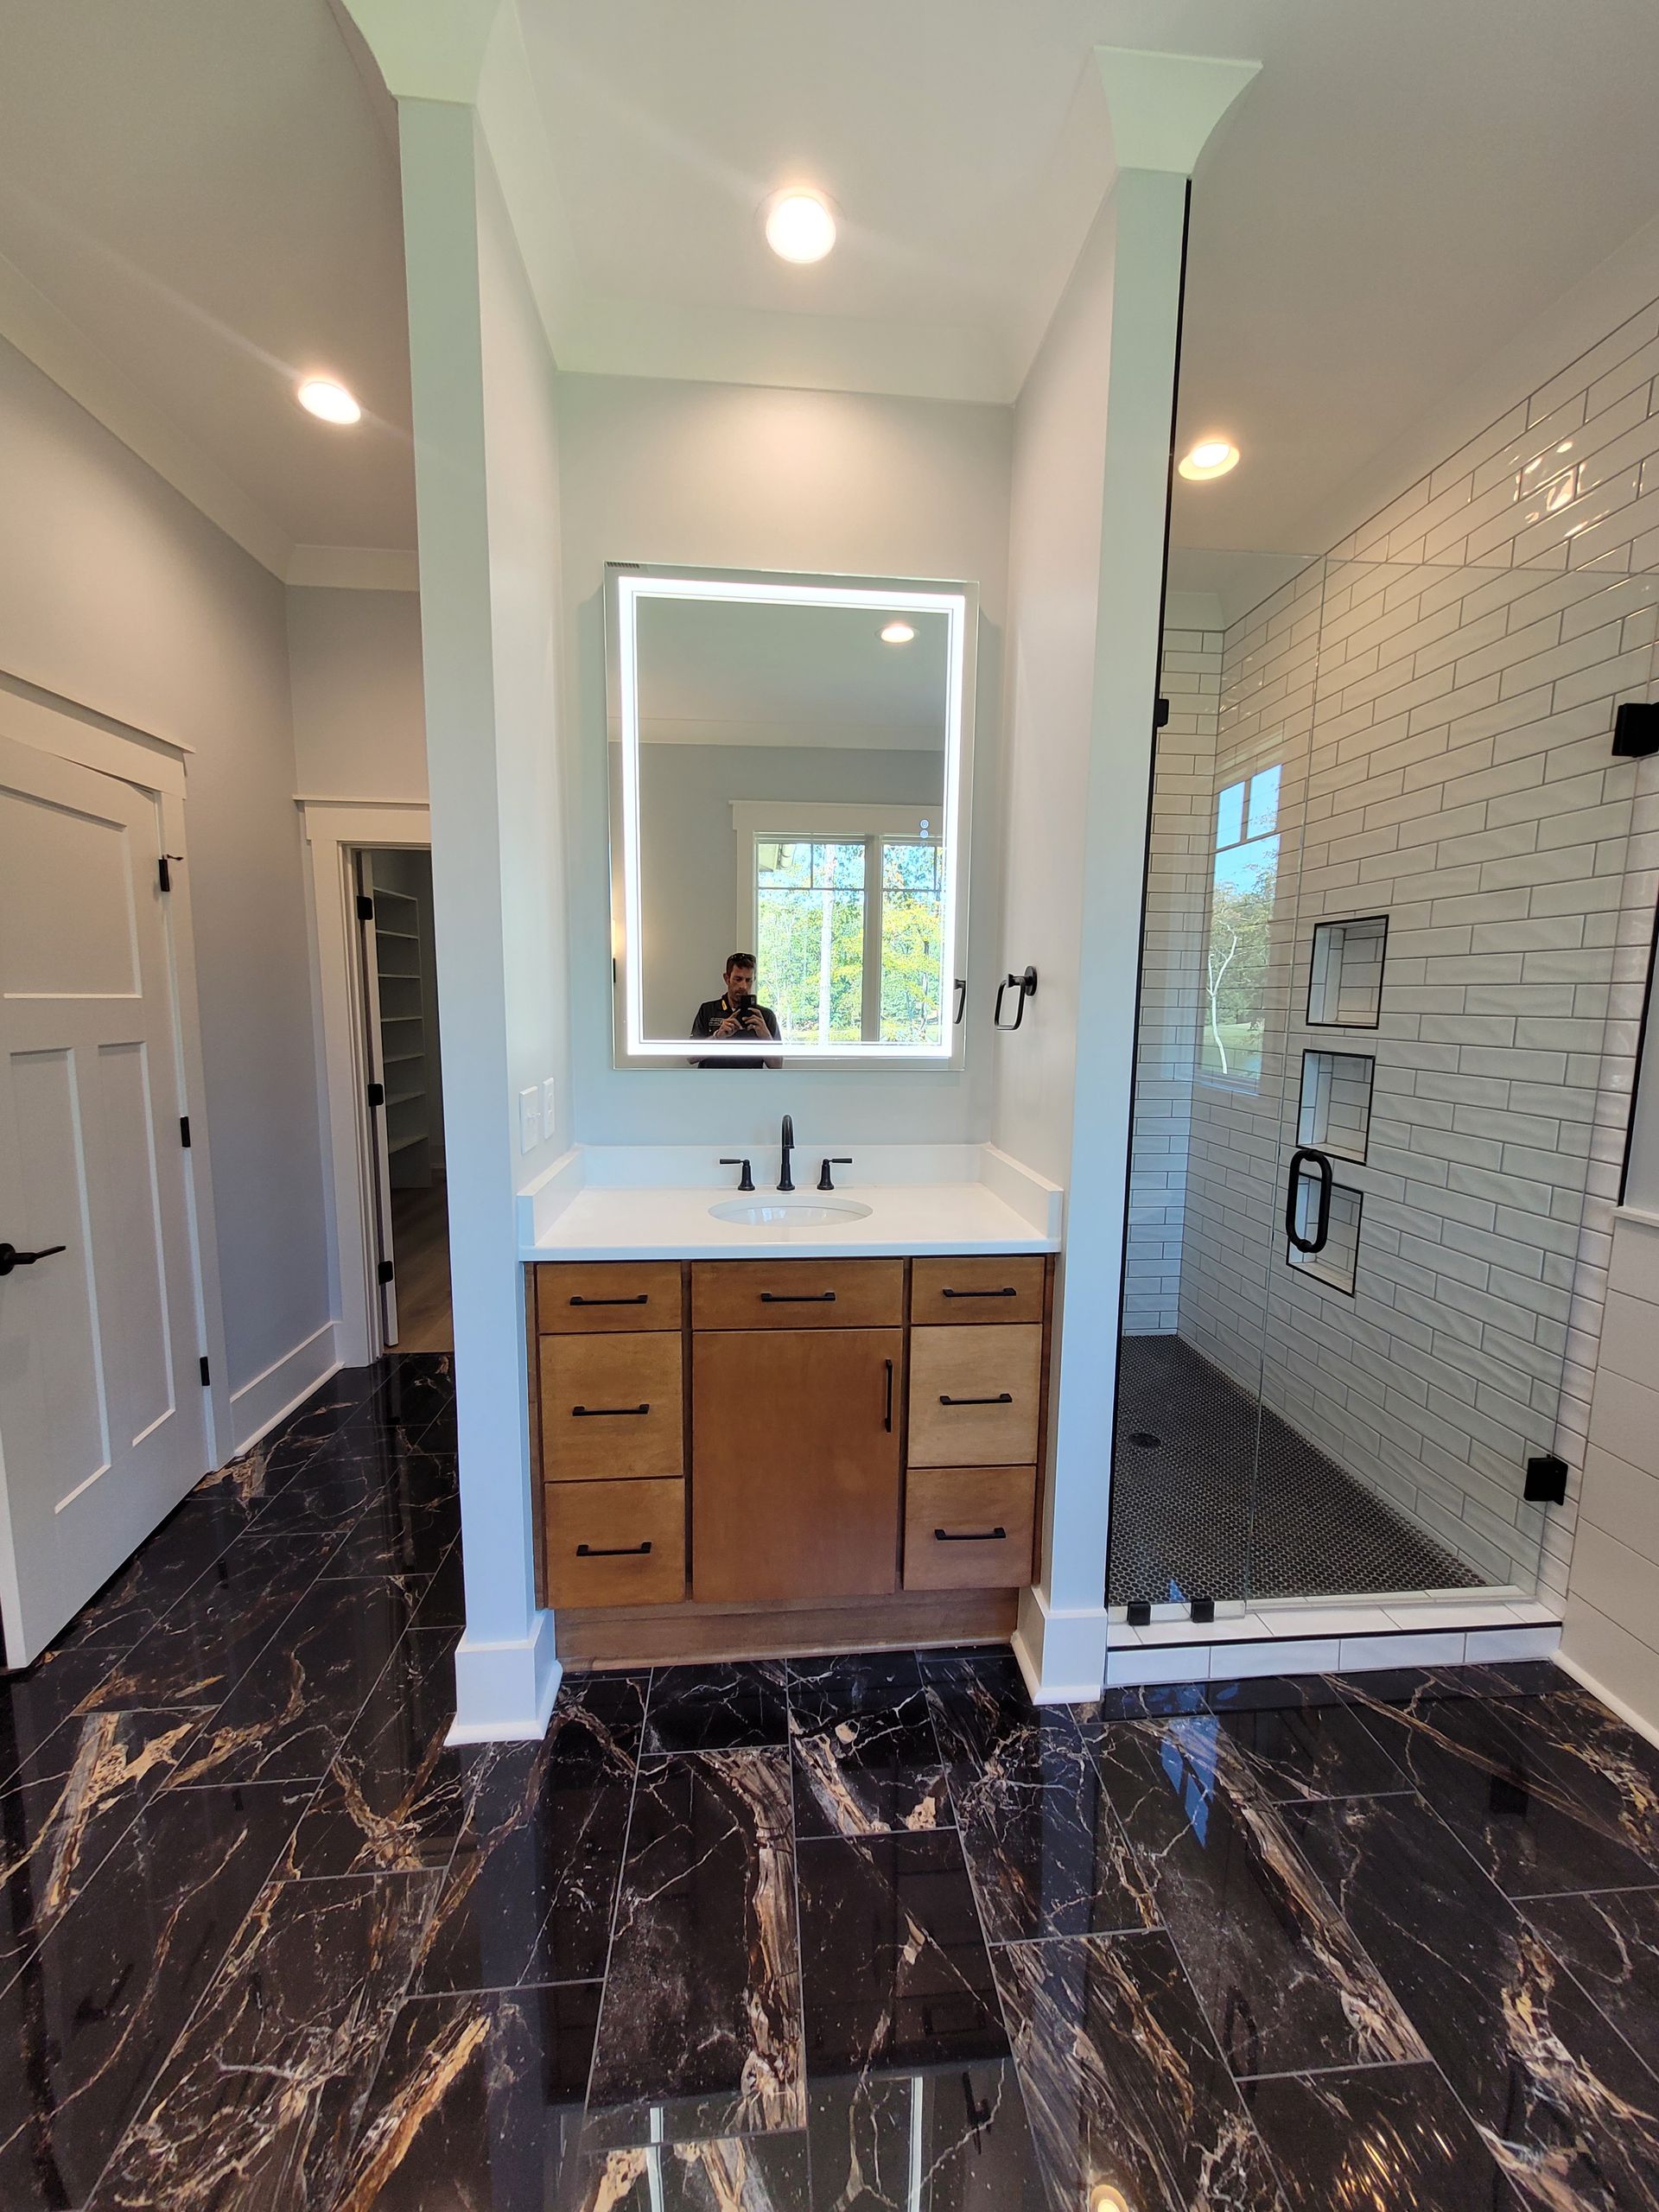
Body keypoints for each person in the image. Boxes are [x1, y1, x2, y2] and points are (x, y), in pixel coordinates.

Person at [690, 953, 781, 1069]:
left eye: (749, 980)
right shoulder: (708, 1010)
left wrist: (765, 1037)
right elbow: (691, 1056)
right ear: (727, 978)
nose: (743, 986)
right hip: (712, 1084)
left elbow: (777, 1065)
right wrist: (717, 1037)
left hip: (750, 1084)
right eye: (738, 979)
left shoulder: (765, 1016)